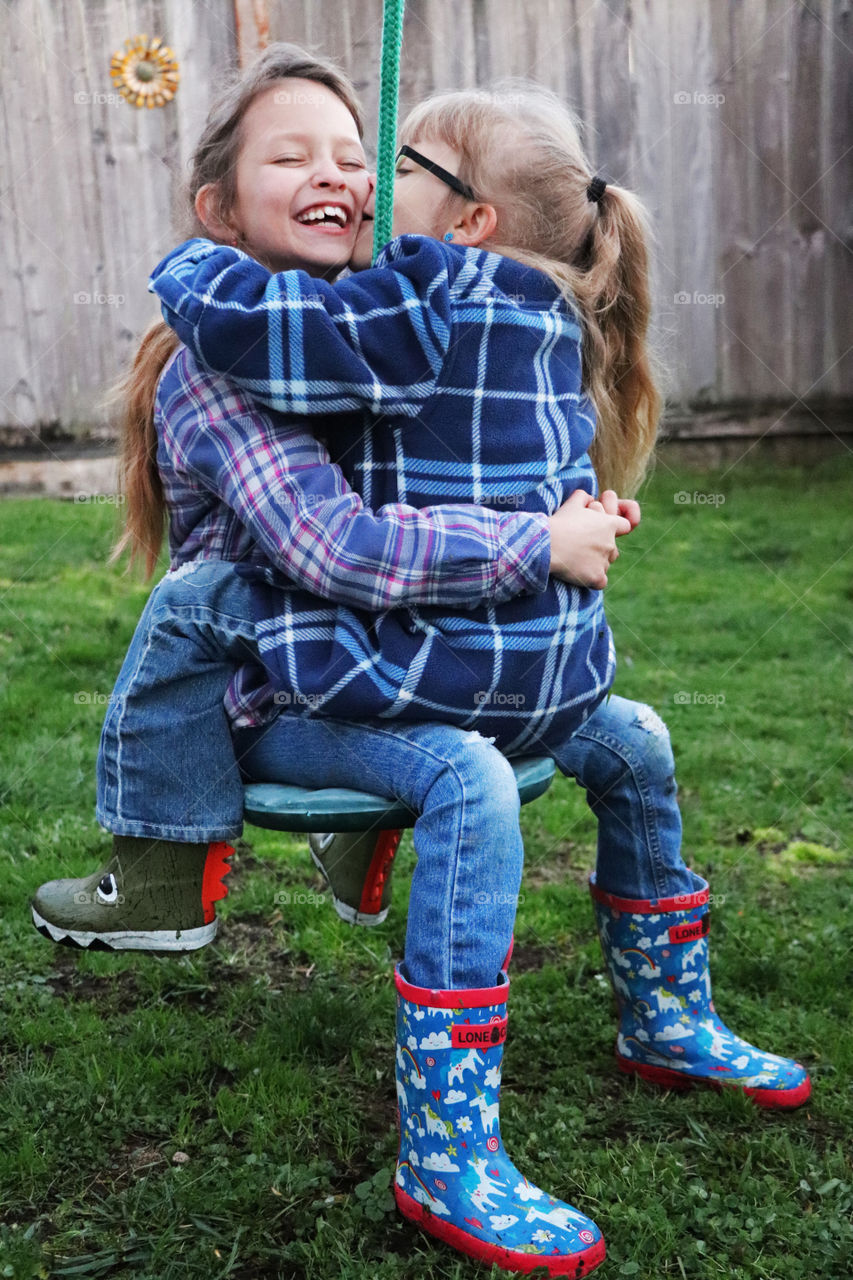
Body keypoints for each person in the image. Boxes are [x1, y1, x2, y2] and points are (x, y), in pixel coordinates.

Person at [33, 47, 809, 1278]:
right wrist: (531, 543)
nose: (343, 176)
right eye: (294, 157)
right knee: (467, 775)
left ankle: (666, 1016)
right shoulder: (225, 367)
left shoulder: (377, 330)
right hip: (279, 688)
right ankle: (448, 1147)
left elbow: (482, 458)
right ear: (221, 210)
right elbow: (335, 548)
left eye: (358, 154)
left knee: (633, 736)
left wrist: (578, 516)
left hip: (392, 660)